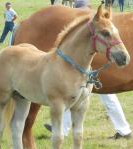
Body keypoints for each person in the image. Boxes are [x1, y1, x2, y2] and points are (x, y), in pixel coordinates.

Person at [45, 0, 132, 139]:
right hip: (89, 70)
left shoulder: (93, 27)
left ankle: (124, 129)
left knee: (99, 97)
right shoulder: (88, 28)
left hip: (92, 71)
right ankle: (63, 128)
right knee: (78, 95)